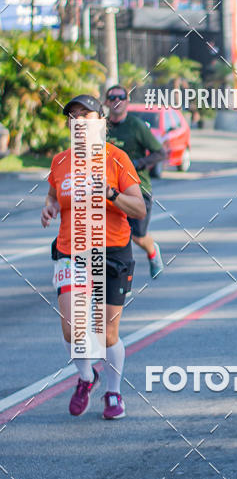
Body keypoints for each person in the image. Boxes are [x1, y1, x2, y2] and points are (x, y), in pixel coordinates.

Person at [41, 94, 146, 419]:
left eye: (84, 115)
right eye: (72, 117)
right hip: (70, 251)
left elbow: (138, 207)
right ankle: (87, 377)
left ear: (100, 122)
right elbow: (53, 193)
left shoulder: (116, 158)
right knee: (73, 328)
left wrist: (110, 193)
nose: (77, 122)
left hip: (111, 252)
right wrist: (50, 206)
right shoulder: (60, 161)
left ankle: (113, 393)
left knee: (105, 334)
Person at [105, 85, 166, 279]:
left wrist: (138, 163)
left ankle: (152, 250)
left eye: (121, 97)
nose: (116, 101)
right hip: (109, 190)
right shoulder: (101, 127)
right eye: (112, 97)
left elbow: (160, 152)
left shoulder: (136, 126)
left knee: (136, 236)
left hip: (138, 189)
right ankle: (118, 278)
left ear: (127, 101)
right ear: (106, 102)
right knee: (110, 234)